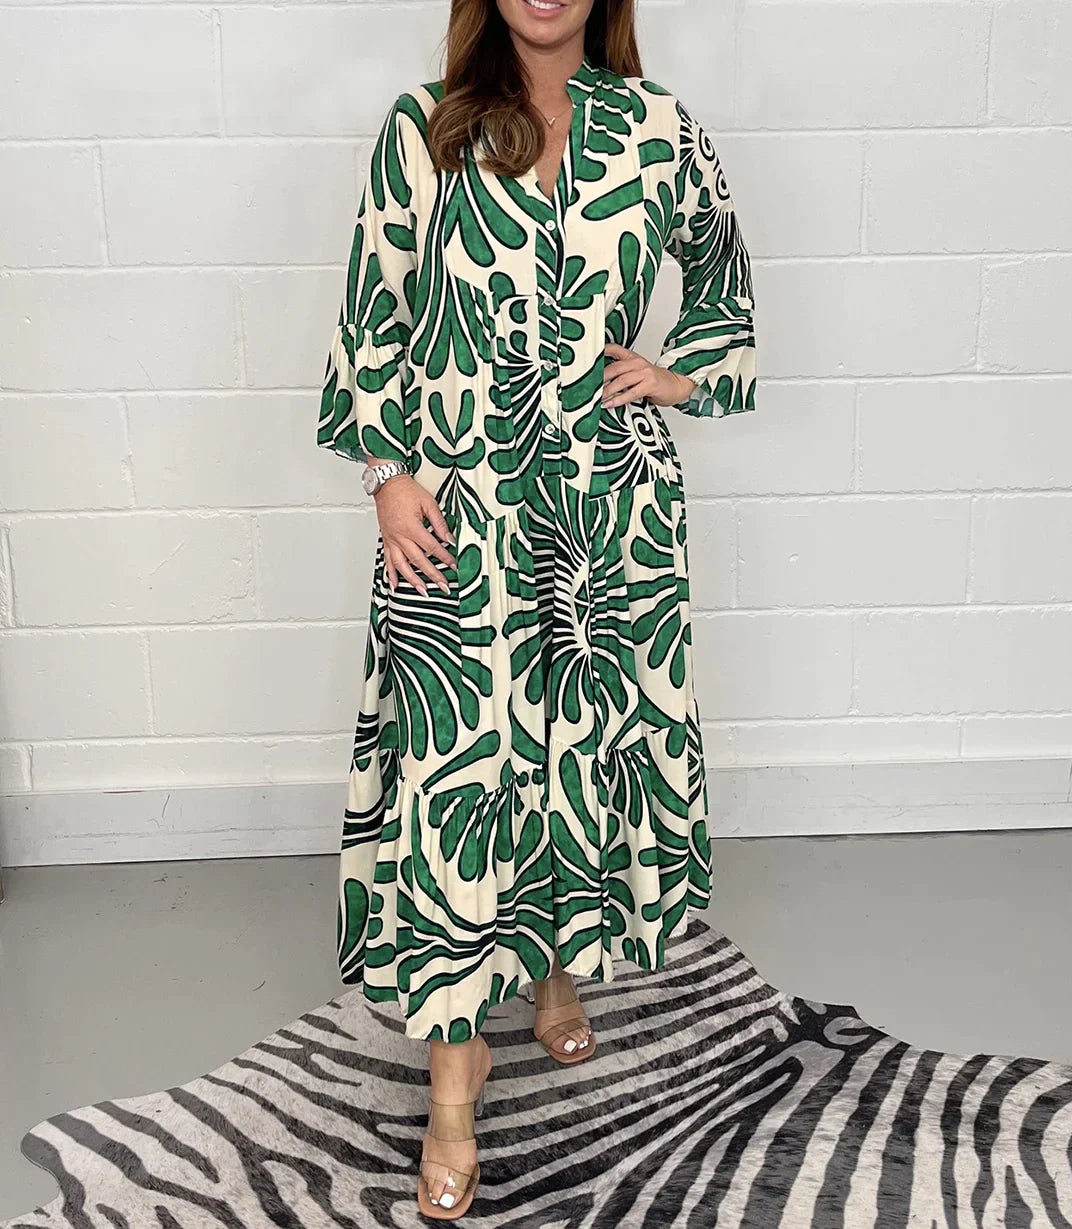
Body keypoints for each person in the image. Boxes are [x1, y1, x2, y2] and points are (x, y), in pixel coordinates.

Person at [316, 0, 756, 1217]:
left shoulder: (658, 129)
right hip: (461, 510)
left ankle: (558, 967)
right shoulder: (427, 129)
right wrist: (387, 474)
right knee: (459, 778)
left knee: (572, 748)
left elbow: (722, 274)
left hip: (609, 509)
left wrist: (678, 373)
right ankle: (454, 1081)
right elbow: (374, 312)